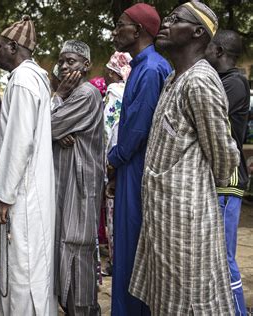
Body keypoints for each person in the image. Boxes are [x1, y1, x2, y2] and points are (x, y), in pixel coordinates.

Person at [129, 3, 239, 314]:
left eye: (176, 20)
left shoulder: (200, 80)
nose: (164, 24)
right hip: (164, 223)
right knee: (167, 303)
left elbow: (224, 157)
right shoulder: (175, 79)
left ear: (198, 32)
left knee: (191, 304)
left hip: (186, 225)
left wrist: (191, 193)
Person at [0, 15, 58, 315]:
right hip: (34, 193)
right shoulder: (37, 79)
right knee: (33, 271)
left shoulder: (21, 80)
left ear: (14, 47)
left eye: (1, 46)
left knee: (21, 274)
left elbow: (19, 144)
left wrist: (4, 195)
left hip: (22, 196)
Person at [107, 4, 171, 315]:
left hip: (139, 171)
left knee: (133, 251)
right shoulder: (142, 66)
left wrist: (113, 159)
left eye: (120, 25)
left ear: (139, 30)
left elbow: (136, 129)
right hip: (131, 170)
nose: (115, 32)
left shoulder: (150, 69)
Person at [51, 40, 105, 316]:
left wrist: (57, 101)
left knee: (77, 251)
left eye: (71, 62)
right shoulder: (73, 95)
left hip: (80, 187)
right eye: (61, 62)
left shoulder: (85, 94)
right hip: (66, 185)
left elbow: (46, 125)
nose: (64, 67)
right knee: (64, 248)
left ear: (85, 66)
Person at [205, 29, 250, 316]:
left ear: (219, 51)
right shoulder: (221, 81)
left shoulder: (235, 83)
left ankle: (238, 311)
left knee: (224, 258)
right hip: (215, 180)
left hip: (227, 181)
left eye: (207, 47)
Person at [102, 51, 132, 275]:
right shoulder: (133, 89)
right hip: (130, 161)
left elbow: (107, 129)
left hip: (114, 162)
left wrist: (107, 162)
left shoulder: (114, 92)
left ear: (114, 72)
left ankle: (116, 261)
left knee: (113, 215)